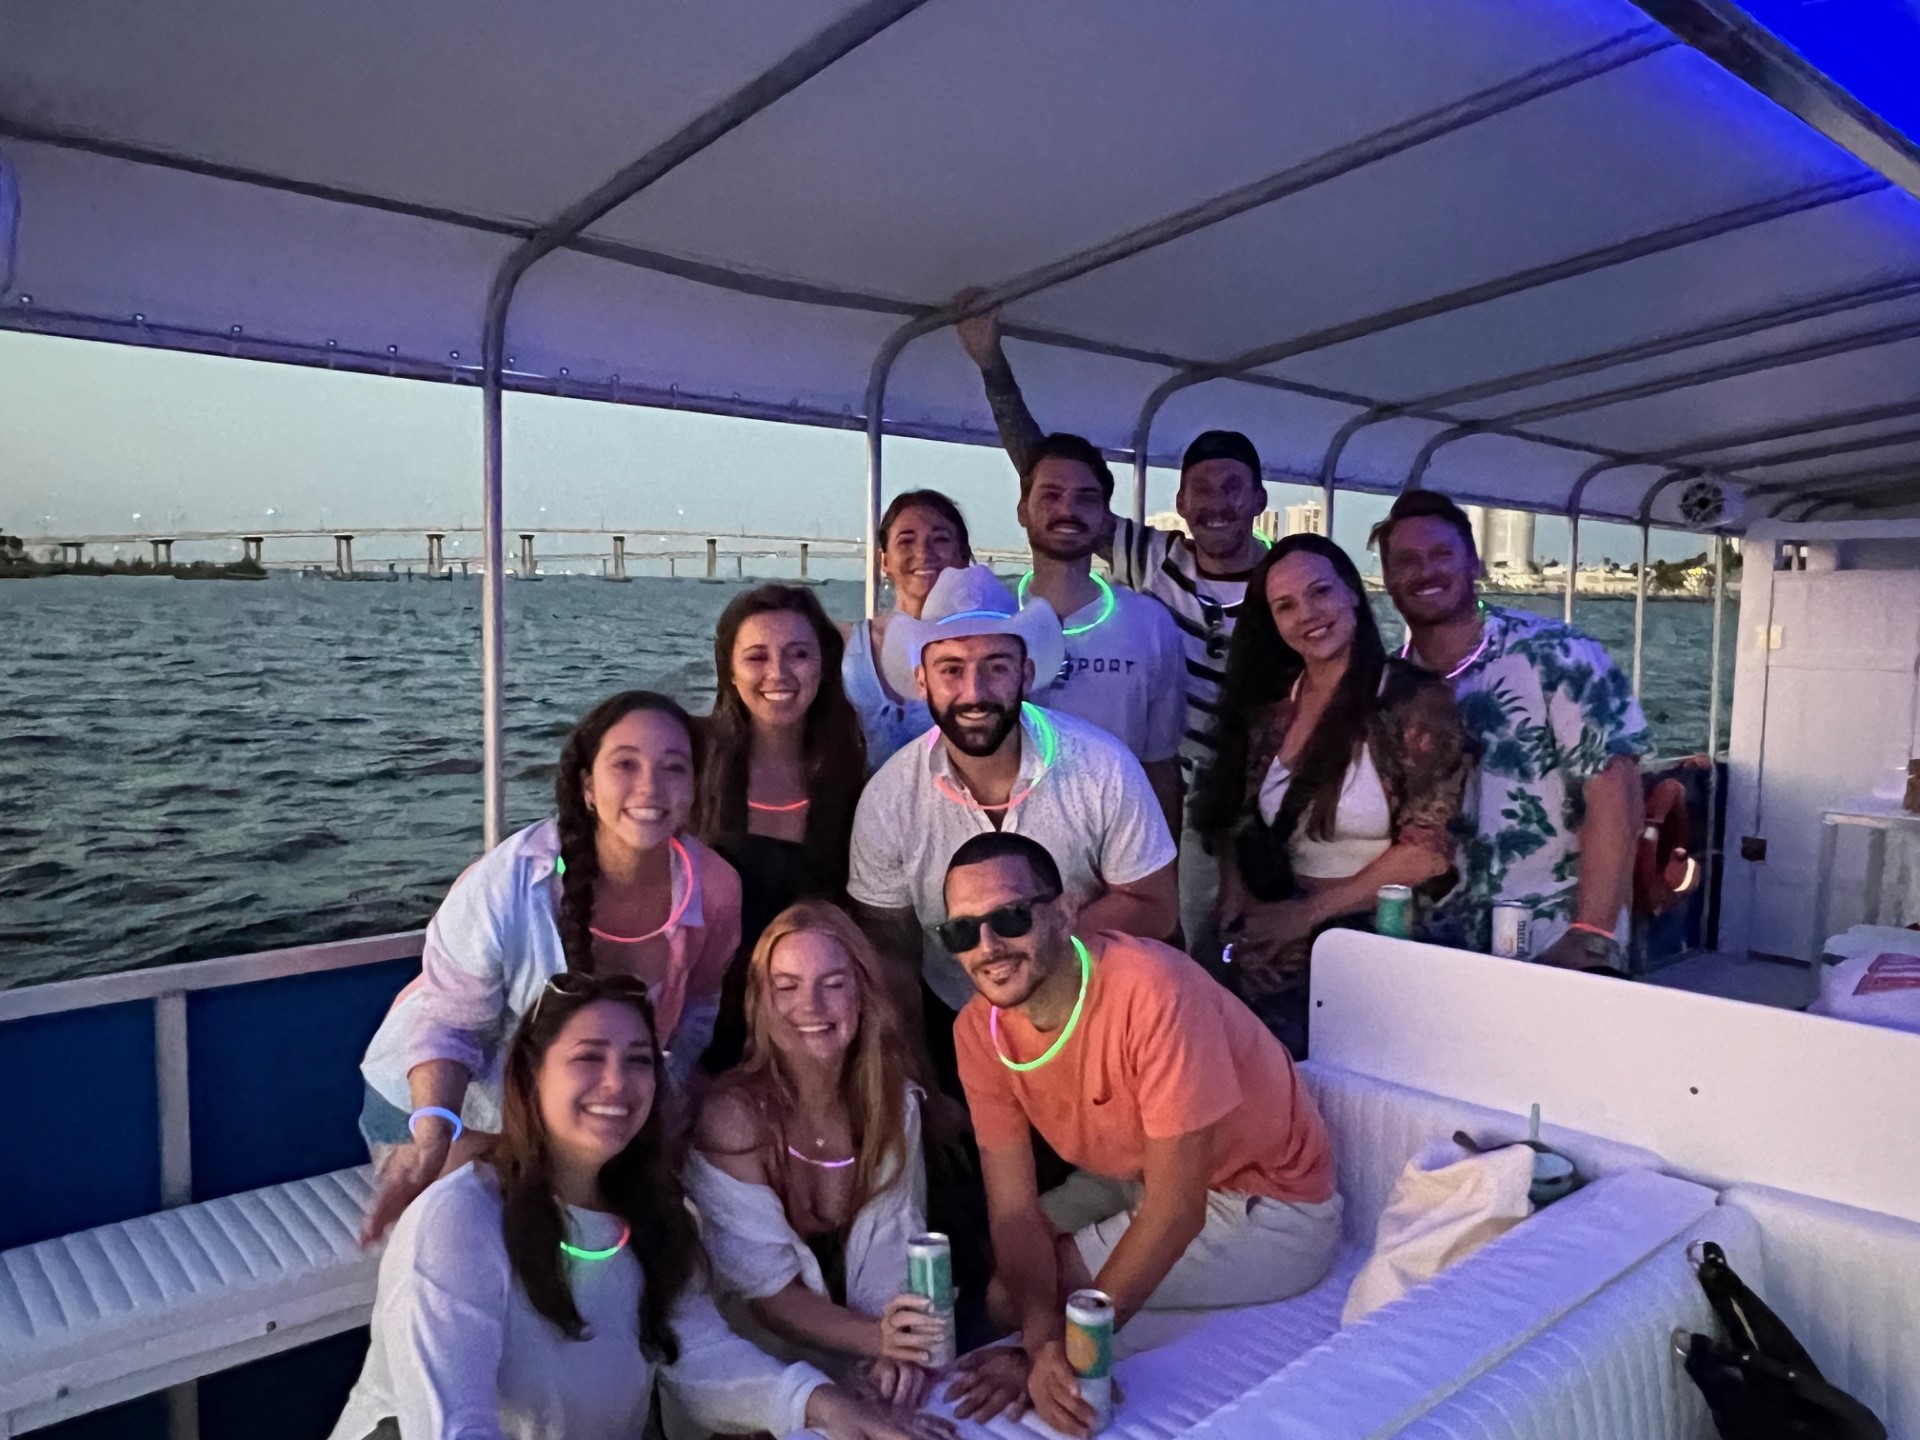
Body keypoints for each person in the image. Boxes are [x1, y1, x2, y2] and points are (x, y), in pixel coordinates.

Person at [331, 975, 952, 1440]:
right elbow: (450, 1427)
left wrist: (827, 1407)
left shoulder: (652, 1219)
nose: (617, 1083)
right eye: (588, 1057)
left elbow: (699, 1355)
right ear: (529, 1078)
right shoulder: (458, 1221)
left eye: (637, 1061)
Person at [936, 834, 1339, 1438]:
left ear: (1065, 911)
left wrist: (1061, 1353)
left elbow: (1177, 1210)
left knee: (1043, 1296)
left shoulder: (1153, 990)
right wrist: (1040, 1342)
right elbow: (1014, 1212)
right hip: (1135, 1172)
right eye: (963, 931)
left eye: (1011, 917)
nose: (988, 947)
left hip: (1272, 1202)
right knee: (1008, 1297)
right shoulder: (979, 1028)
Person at [358, 690, 741, 1241]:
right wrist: (434, 1137)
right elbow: (448, 1026)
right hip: (449, 1108)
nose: (650, 787)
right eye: (625, 764)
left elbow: (695, 1016)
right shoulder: (511, 882)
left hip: (581, 1112)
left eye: (673, 768)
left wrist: (666, 1116)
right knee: (488, 1234)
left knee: (644, 1228)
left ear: (695, 786)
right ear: (588, 787)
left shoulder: (716, 889)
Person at [954, 296, 1268, 956]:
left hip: (1260, 795)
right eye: (1203, 489)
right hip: (1176, 798)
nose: (1217, 504)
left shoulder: (1288, 583)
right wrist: (993, 371)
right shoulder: (1153, 558)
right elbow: (1054, 484)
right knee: (1184, 944)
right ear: (1181, 502)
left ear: (1259, 500)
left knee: (1240, 951)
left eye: (1233, 487)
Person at [846, 565, 1177, 1089]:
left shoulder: (1103, 766)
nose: (974, 691)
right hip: (953, 1022)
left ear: (1026, 673)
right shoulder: (888, 800)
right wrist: (925, 1086)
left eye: (995, 666)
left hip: (1097, 1010)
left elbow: (1156, 906)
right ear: (921, 680)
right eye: (951, 669)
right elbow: (889, 954)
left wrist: (1034, 950)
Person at [1200, 535, 1470, 1055]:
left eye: (1320, 592)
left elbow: (1428, 852)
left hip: (1381, 944)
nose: (1308, 614)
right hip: (1280, 938)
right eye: (1286, 606)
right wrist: (1239, 909)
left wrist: (1306, 918)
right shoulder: (1272, 713)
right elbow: (1236, 822)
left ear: (1352, 593)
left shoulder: (1415, 703)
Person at [1373, 490, 1650, 969]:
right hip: (1436, 949)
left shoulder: (1557, 654)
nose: (1426, 571)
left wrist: (1592, 934)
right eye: (1407, 561)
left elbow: (1616, 795)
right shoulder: (1388, 687)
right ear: (1388, 579)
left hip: (1557, 941)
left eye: (1442, 555)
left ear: (1474, 564)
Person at [689, 903, 948, 1409]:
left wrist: (890, 1359)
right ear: (761, 1001)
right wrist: (881, 1341)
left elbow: (893, 1246)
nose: (811, 1005)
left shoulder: (893, 1104)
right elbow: (768, 1295)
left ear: (863, 995)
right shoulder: (732, 1119)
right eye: (787, 987)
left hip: (862, 1358)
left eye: (833, 984)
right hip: (758, 1378)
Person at [696, 585, 867, 1070]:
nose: (779, 673)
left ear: (824, 666)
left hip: (813, 1019)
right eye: (757, 657)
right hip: (704, 1017)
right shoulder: (689, 762)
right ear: (729, 669)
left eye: (798, 654)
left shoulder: (852, 776)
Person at [1017, 432, 1186, 840]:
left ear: (1104, 514)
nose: (1068, 510)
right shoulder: (991, 618)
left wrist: (1165, 869)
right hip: (1007, 850)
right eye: (1051, 495)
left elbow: (1161, 765)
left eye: (1086, 498)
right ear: (1023, 510)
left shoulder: (1151, 624)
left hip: (1116, 849)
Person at [840, 490, 973, 772]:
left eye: (940, 539)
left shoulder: (981, 651)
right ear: (884, 561)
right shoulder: (845, 643)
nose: (923, 552)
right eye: (906, 541)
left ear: (962, 557)